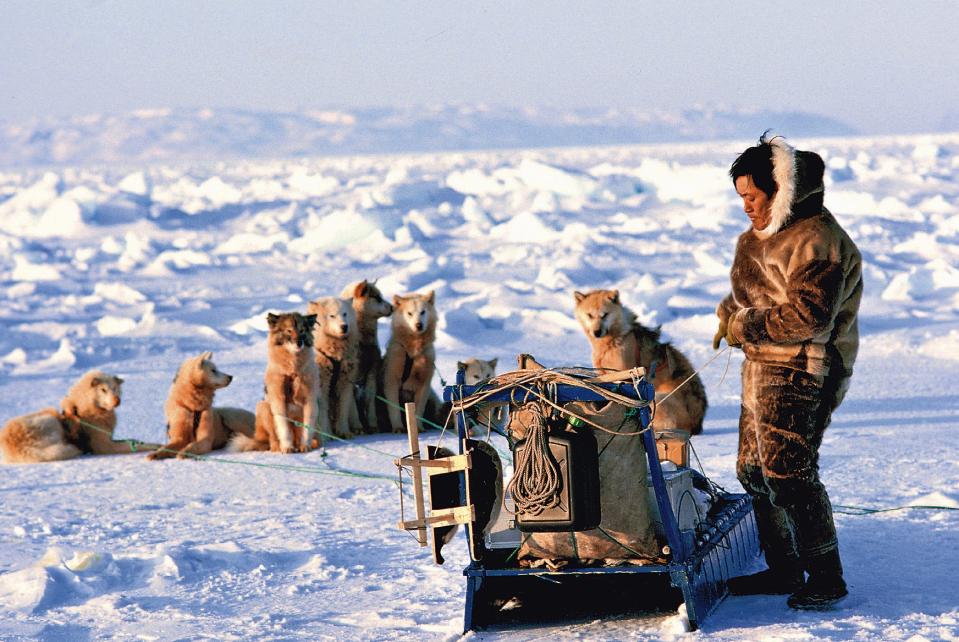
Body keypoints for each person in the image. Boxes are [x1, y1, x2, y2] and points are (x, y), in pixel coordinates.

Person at [714, 133, 862, 609]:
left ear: (782, 193)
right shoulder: (756, 239)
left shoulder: (818, 240)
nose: (746, 208)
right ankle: (783, 569)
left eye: (753, 197)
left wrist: (744, 324)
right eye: (742, 199)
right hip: (760, 366)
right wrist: (728, 316)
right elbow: (751, 297)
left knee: (788, 474)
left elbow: (810, 318)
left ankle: (825, 577)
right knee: (753, 471)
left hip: (803, 369)